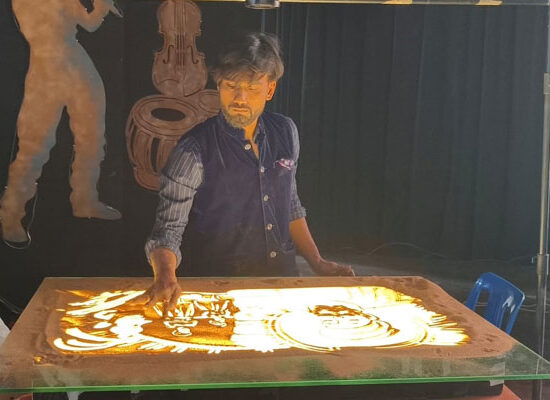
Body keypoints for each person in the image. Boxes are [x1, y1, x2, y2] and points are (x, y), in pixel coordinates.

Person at [143, 32, 354, 316]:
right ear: (219, 85)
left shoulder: (285, 132)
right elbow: (167, 232)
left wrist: (317, 262)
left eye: (252, 88)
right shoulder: (193, 151)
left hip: (282, 284)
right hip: (219, 292)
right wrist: (165, 274)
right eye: (231, 86)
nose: (240, 98)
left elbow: (289, 204)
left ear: (270, 89)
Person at [0, 0, 122, 245]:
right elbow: (84, 24)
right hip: (46, 68)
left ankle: (85, 199)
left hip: (76, 63)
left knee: (92, 136)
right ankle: (10, 216)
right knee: (34, 146)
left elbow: (88, 24)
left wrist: (100, 6)